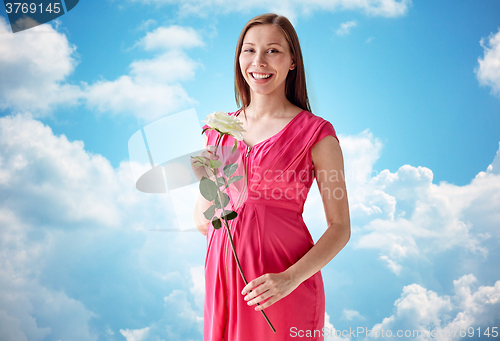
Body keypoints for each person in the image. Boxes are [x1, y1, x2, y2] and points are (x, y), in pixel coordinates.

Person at [192, 13, 350, 341]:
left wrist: (289, 279)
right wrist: (208, 179)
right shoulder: (217, 131)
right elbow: (202, 218)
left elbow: (340, 228)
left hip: (280, 284)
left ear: (293, 61)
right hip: (224, 278)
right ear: (239, 58)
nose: (258, 61)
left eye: (273, 50)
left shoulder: (318, 134)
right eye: (249, 50)